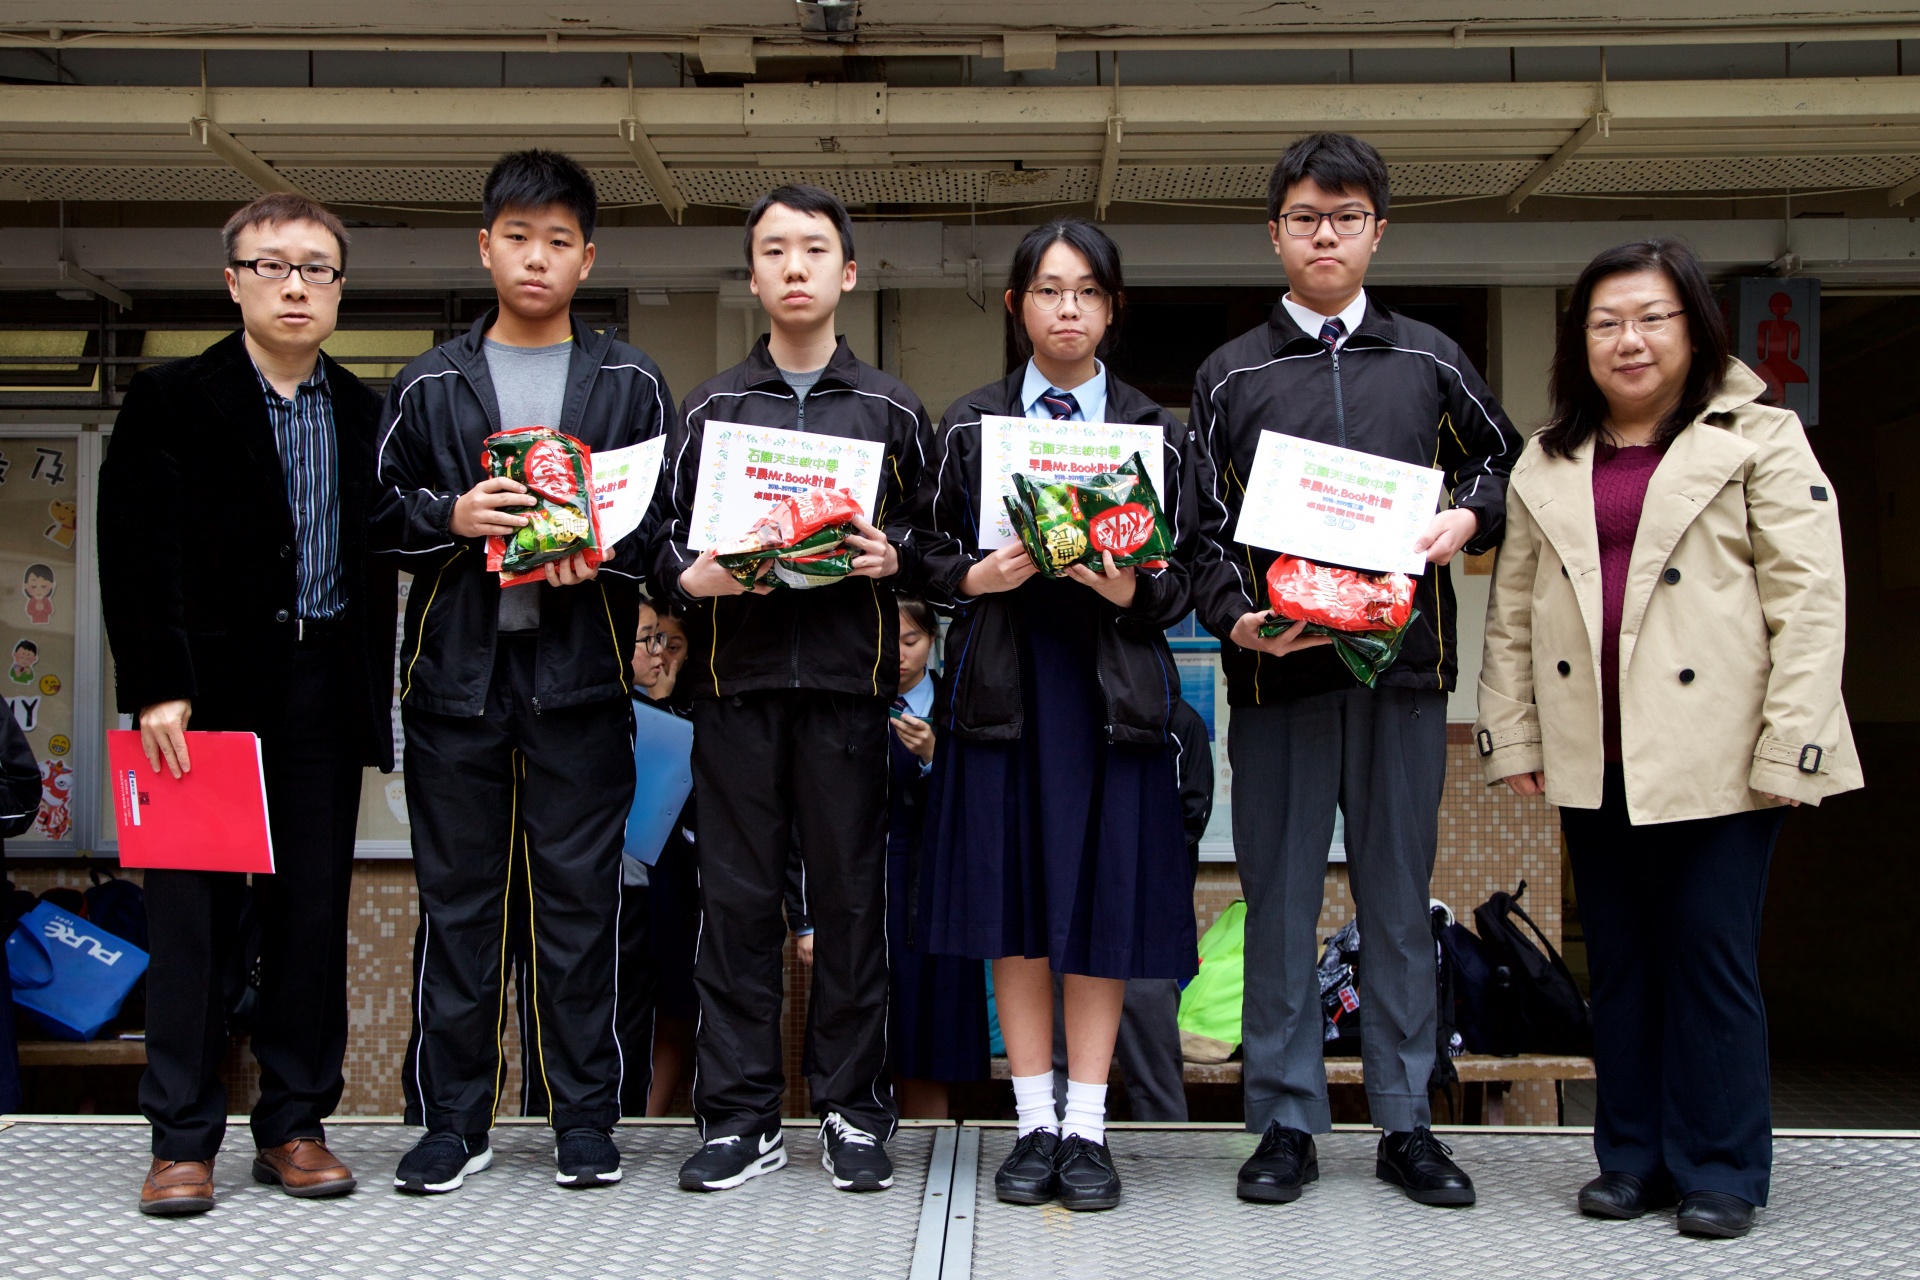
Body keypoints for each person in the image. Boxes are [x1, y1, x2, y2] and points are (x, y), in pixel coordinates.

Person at [1476, 237, 1861, 1240]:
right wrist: (1513, 733)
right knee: (1622, 959)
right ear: (1580, 341)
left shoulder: (1761, 436)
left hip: (1720, 753)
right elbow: (1514, 609)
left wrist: (1793, 744)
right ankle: (1632, 1157)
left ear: (1695, 328)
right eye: (1606, 322)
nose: (1629, 340)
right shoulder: (1550, 454)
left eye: (1652, 318)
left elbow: (1810, 601)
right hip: (1596, 750)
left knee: (1707, 954)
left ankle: (1721, 1165)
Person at [1186, 132, 1518, 1208]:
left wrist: (1467, 516)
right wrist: (1235, 622)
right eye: (1304, 218)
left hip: (1403, 675)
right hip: (1278, 680)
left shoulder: (1429, 359)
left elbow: (1502, 460)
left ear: (1378, 231)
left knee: (1397, 900)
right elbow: (1197, 533)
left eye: (1346, 217)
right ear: (1274, 233)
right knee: (1278, 902)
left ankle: (1407, 1119)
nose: (1324, 236)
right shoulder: (1231, 374)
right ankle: (1284, 1119)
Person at [372, 149, 673, 1194]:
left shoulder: (629, 381)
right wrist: (452, 516)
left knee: (581, 905)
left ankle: (582, 1118)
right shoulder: (428, 382)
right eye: (517, 237)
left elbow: (662, 528)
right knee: (459, 906)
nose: (536, 257)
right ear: (485, 248)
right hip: (456, 685)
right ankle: (450, 1121)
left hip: (581, 678)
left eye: (557, 240)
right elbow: (377, 519)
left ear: (587, 258)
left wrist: (607, 552)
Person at [97, 192, 397, 1215]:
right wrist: (157, 685)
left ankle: (295, 1124)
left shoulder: (366, 411)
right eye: (272, 266)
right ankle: (181, 1138)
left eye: (317, 268)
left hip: (323, 692)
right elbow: (134, 549)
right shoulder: (170, 397)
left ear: (340, 289)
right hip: (205, 703)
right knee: (194, 920)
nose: (295, 285)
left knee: (310, 917)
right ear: (233, 282)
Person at [648, 183, 935, 1194]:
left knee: (852, 908)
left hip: (850, 695)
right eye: (774, 249)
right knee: (733, 910)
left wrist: (892, 554)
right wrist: (693, 579)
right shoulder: (712, 408)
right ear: (753, 274)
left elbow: (939, 542)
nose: (795, 266)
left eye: (814, 249)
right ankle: (739, 1118)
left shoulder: (892, 408)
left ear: (847, 273)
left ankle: (853, 1110)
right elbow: (654, 545)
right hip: (736, 690)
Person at [916, 217, 1196, 1212]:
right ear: (1016, 305)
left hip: (1109, 697)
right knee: (1017, 907)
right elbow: (923, 555)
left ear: (1111, 309)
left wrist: (1128, 589)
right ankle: (1032, 1121)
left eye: (1085, 292)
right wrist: (977, 576)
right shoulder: (970, 425)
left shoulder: (1155, 432)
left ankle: (1088, 1128)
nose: (1066, 309)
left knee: (1099, 907)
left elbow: (1183, 580)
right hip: (1005, 690)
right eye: (1047, 290)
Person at [1052, 694, 1212, 1124]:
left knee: (1154, 1073)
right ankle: (1068, 1145)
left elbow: (1192, 817)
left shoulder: (1180, 721)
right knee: (1062, 1067)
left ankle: (1165, 1154)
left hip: (1147, 918)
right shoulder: (1068, 709)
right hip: (1074, 914)